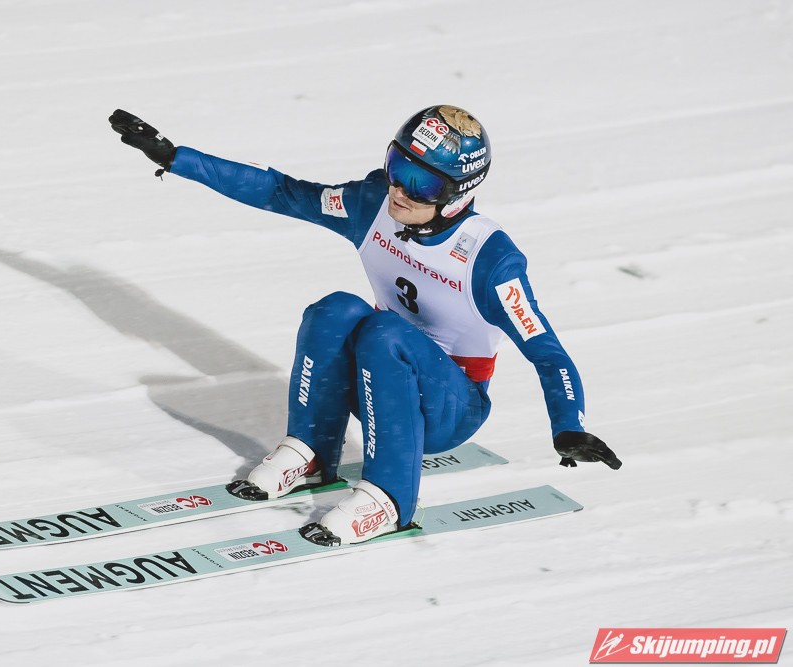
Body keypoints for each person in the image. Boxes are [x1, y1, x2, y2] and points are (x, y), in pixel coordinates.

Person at [109, 105, 621, 547]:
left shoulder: (490, 260)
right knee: (334, 310)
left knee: (384, 333)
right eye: (398, 166)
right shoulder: (373, 202)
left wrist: (568, 426)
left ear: (458, 194)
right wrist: (176, 158)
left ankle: (390, 499)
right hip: (379, 377)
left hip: (449, 409)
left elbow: (547, 352)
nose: (400, 190)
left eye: (422, 183)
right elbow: (281, 192)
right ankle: (311, 452)